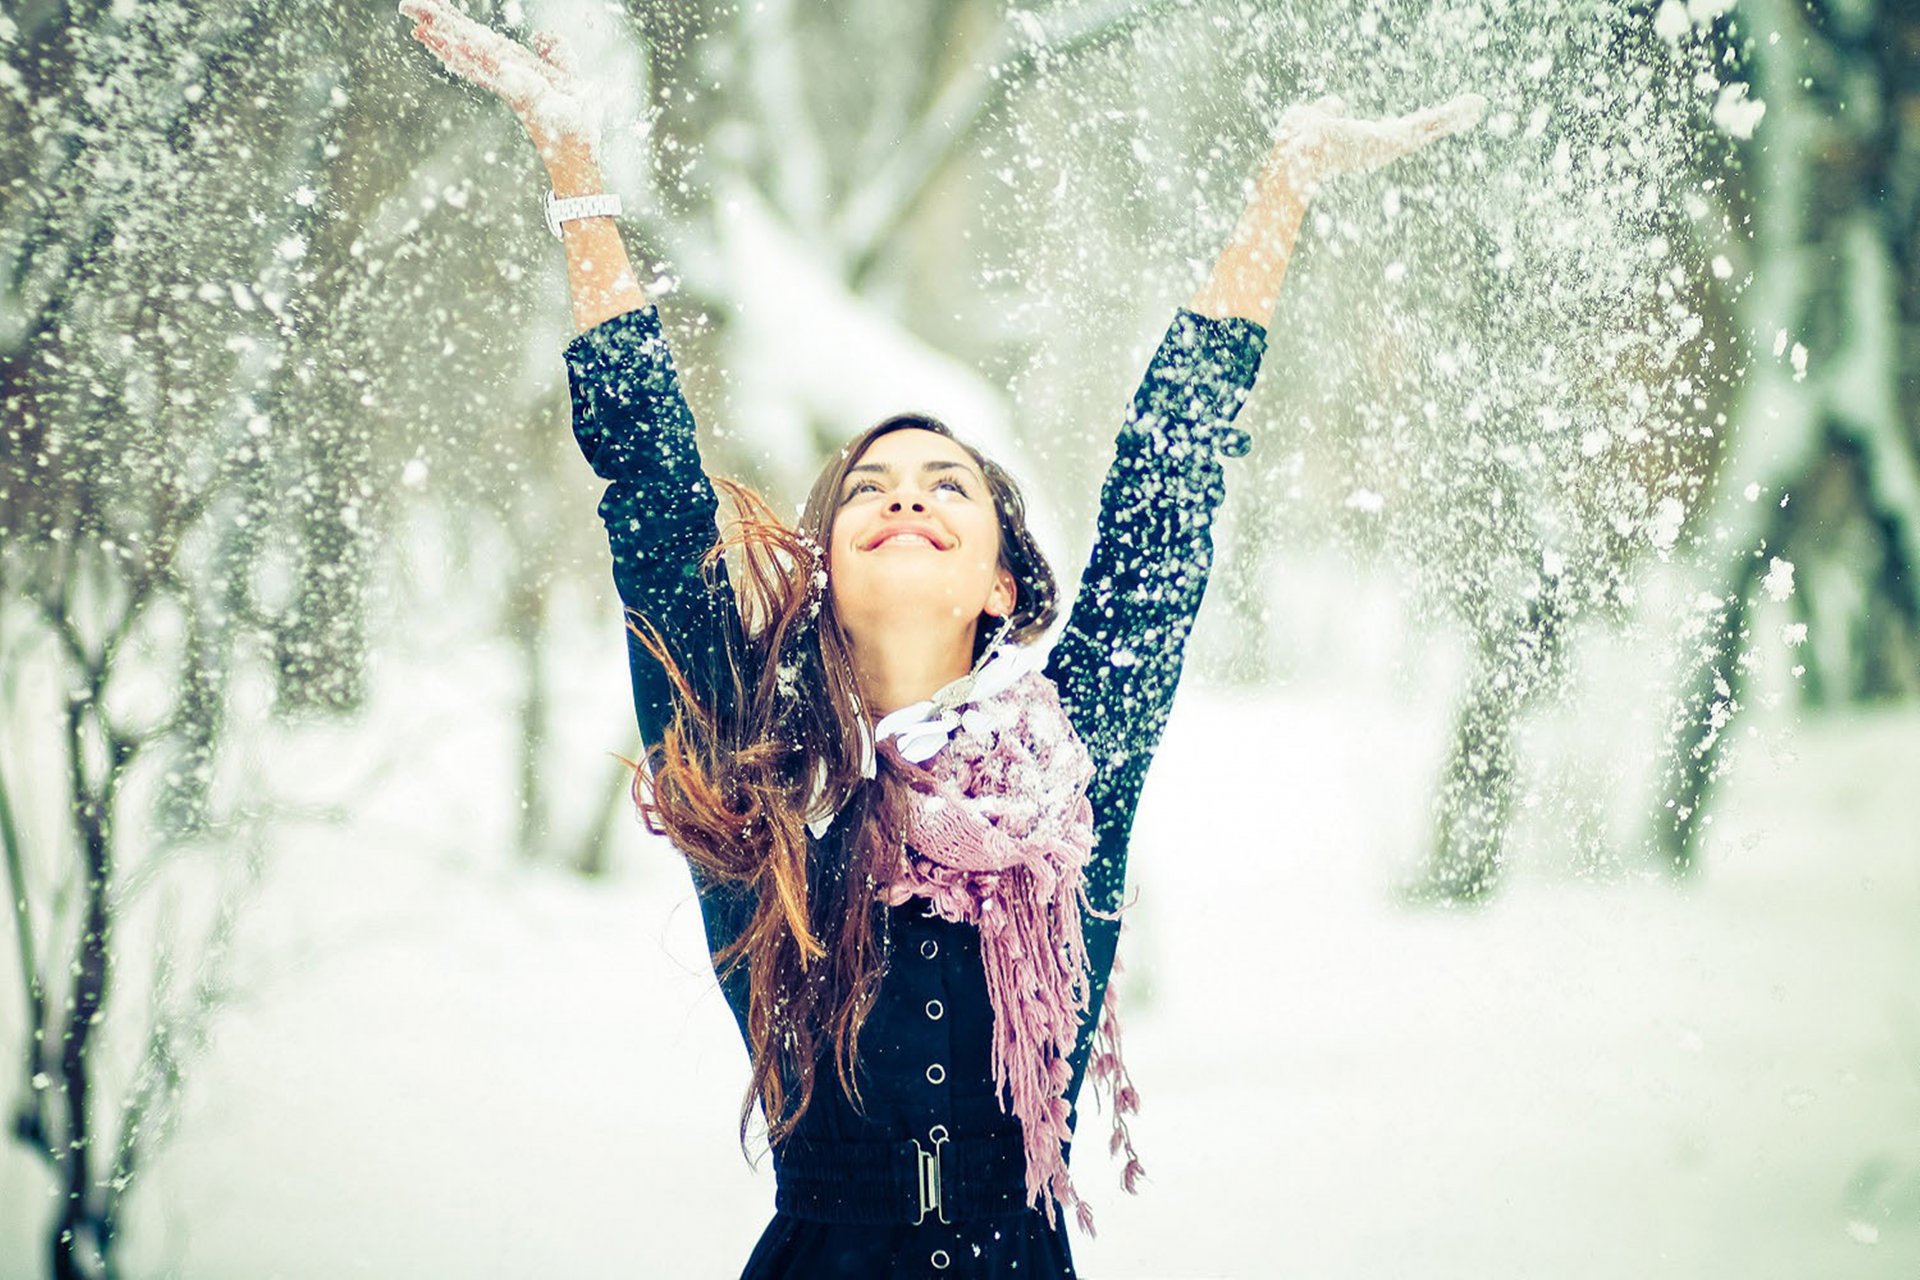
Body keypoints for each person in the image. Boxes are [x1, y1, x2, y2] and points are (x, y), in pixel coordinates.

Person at [399, 3, 1483, 1274]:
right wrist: (572, 164)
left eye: (947, 484)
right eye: (868, 485)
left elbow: (1168, 488)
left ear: (1001, 580)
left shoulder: (1075, 768)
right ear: (825, 562)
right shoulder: (758, 776)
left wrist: (1280, 192)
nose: (904, 492)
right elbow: (648, 489)